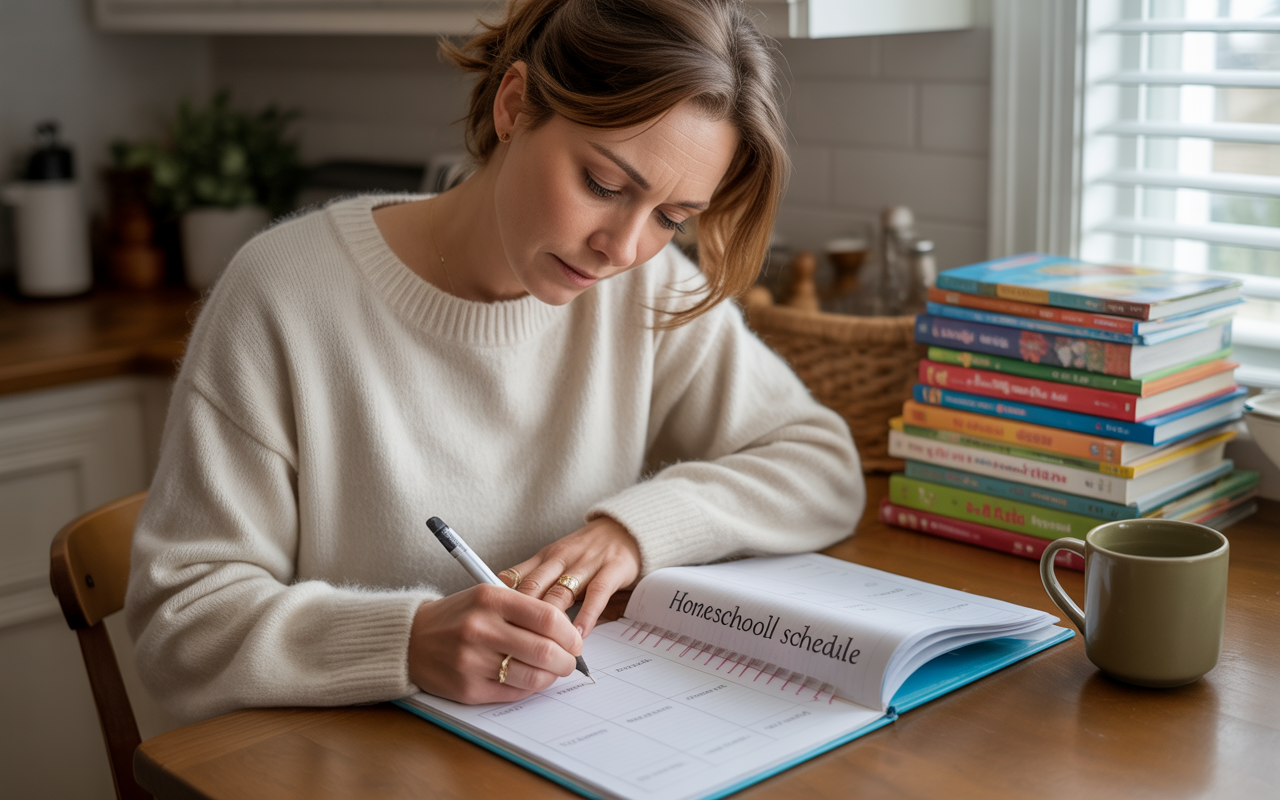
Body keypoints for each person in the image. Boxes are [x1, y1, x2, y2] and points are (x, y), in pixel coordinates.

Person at [125, 0, 865, 722]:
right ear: (514, 105)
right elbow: (180, 627)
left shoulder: (649, 287)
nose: (624, 247)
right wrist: (408, 643)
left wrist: (635, 531)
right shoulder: (282, 293)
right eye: (604, 186)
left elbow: (823, 466)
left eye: (673, 217)